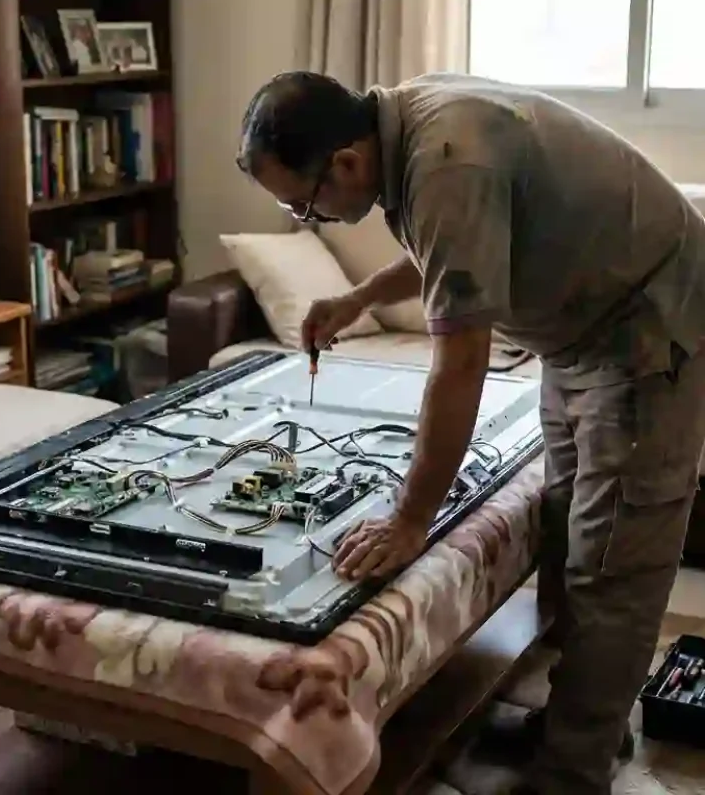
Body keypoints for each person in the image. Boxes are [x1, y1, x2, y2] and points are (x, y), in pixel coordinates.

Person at [235, 71, 705, 795]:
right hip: (584, 334)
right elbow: (450, 249)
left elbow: (459, 363)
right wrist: (358, 295)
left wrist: (411, 519)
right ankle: (583, 730)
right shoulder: (409, 131)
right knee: (569, 529)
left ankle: (572, 776)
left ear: (348, 163)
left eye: (305, 205)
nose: (309, 218)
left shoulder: (449, 157)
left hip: (646, 334)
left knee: (612, 566)